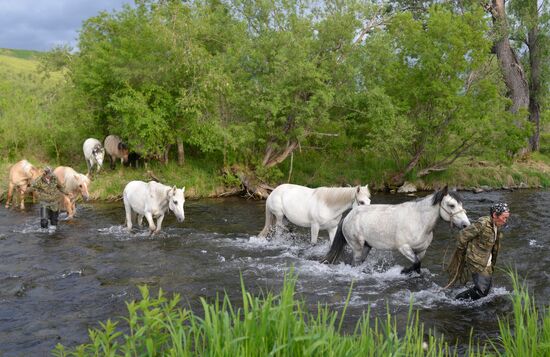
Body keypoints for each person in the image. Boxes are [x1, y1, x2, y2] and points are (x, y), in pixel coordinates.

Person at [445, 202, 511, 300]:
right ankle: (456, 301)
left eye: (507, 218)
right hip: (477, 262)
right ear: (494, 215)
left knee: (487, 289)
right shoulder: (482, 224)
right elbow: (463, 235)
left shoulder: (496, 225)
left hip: (487, 261)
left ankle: (467, 300)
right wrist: (462, 253)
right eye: (504, 217)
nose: (506, 221)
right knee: (482, 291)